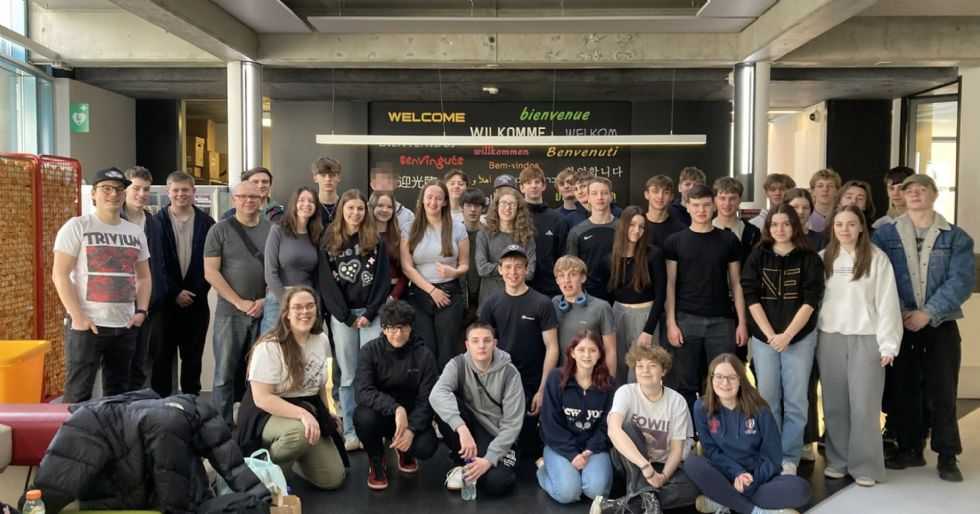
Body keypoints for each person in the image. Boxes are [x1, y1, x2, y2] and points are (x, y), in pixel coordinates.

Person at [874, 174, 975, 482]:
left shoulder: (956, 236)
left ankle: (947, 455)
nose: (915, 195)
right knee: (904, 389)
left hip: (940, 324)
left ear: (933, 195)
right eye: (909, 191)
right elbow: (880, 275)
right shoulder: (884, 234)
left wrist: (927, 313)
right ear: (901, 196)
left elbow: (960, 282)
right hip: (900, 322)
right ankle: (910, 448)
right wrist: (902, 311)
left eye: (922, 190)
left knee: (942, 391)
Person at [817, 205, 902, 487]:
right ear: (833, 228)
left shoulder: (877, 259)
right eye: (839, 224)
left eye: (851, 224)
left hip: (868, 339)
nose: (845, 229)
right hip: (829, 339)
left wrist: (888, 345)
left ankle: (865, 465)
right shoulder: (822, 259)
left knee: (865, 404)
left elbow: (888, 304)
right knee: (835, 404)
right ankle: (838, 461)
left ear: (861, 227)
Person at [52, 167, 150, 402]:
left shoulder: (135, 232)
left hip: (124, 326)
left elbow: (144, 277)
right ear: (94, 194)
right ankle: (75, 439)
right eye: (106, 188)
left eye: (118, 189)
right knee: (78, 394)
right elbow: (60, 274)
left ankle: (112, 439)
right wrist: (77, 317)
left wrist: (141, 312)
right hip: (88, 326)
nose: (113, 194)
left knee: (118, 395)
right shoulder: (78, 226)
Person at [740, 204, 825, 476]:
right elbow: (750, 297)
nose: (780, 229)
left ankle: (789, 456)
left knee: (797, 400)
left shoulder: (809, 258)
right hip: (765, 339)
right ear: (768, 228)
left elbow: (811, 299)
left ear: (795, 226)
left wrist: (787, 335)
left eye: (785, 224)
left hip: (799, 339)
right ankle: (771, 453)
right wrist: (770, 335)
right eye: (774, 224)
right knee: (768, 399)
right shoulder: (757, 257)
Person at [236, 286, 348, 490]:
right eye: (297, 307)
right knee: (299, 433)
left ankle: (295, 455)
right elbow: (262, 399)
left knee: (333, 478)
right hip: (267, 412)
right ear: (286, 313)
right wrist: (303, 416)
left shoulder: (320, 340)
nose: (304, 312)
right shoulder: (269, 346)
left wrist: (326, 412)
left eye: (309, 306)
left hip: (305, 407)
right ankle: (266, 476)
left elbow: (319, 382)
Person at [685, 354, 811, 514]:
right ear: (711, 379)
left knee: (801, 489)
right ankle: (756, 511)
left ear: (740, 380)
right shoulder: (701, 407)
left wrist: (750, 481)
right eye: (719, 377)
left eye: (731, 377)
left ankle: (723, 500)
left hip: (757, 478)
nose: (725, 383)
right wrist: (737, 473)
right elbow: (711, 451)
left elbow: (772, 458)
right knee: (692, 463)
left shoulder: (760, 410)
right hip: (724, 473)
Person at [663, 184, 748, 414]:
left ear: (714, 206)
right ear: (687, 207)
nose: (701, 210)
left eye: (706, 205)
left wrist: (742, 322)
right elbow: (669, 285)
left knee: (724, 380)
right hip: (685, 319)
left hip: (722, 321)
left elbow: (736, 283)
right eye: (696, 205)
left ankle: (721, 434)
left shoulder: (728, 240)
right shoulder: (675, 241)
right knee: (686, 383)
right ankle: (689, 436)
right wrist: (671, 323)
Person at [319, 189, 391, 451]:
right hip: (344, 318)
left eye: (360, 208)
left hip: (371, 315)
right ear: (342, 210)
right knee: (348, 376)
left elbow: (383, 281)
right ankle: (350, 430)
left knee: (373, 373)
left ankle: (375, 428)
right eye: (350, 208)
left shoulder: (375, 240)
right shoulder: (329, 240)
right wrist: (347, 316)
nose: (355, 213)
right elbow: (326, 284)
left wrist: (370, 313)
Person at [594, 345, 697, 513]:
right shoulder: (626, 392)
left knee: (692, 488)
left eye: (652, 365)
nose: (645, 370)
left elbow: (677, 450)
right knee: (626, 427)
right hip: (630, 464)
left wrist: (663, 477)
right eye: (640, 366)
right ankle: (645, 497)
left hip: (661, 467)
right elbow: (613, 430)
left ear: (663, 371)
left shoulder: (677, 401)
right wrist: (645, 467)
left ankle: (620, 506)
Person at [479, 244, 559, 459]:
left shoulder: (542, 303)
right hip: (501, 380)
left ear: (527, 269)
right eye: (508, 267)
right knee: (501, 443)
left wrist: (542, 389)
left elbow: (552, 347)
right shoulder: (492, 303)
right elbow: (482, 347)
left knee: (528, 449)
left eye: (518, 267)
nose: (513, 272)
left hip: (532, 382)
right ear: (500, 269)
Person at [203, 181, 273, 426]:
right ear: (234, 200)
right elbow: (211, 272)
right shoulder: (219, 230)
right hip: (230, 313)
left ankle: (252, 425)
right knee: (224, 374)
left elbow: (279, 270)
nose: (249, 201)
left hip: (266, 312)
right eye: (243, 196)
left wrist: (266, 301)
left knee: (259, 374)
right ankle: (221, 429)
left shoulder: (272, 230)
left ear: (261, 200)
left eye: (254, 196)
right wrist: (240, 302)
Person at [429, 322, 525, 496]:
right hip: (469, 427)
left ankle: (475, 463)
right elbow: (436, 394)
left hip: (497, 433)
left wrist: (489, 460)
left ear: (495, 343)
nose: (481, 345)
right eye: (475, 341)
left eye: (487, 340)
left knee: (497, 483)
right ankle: (462, 462)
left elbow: (512, 424)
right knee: (444, 404)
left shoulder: (510, 373)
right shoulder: (457, 364)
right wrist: (461, 428)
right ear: (467, 344)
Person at [354, 300, 440, 490]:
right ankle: (377, 459)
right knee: (363, 417)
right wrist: (395, 408)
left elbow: (428, 399)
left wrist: (412, 429)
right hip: (380, 415)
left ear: (411, 327)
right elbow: (362, 391)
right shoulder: (369, 352)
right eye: (392, 328)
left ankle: (405, 450)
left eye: (403, 327)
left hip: (411, 418)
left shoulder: (424, 355)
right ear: (383, 328)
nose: (398, 334)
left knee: (426, 446)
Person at [153, 171, 214, 396]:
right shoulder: (155, 223)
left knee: (193, 360)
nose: (181, 194)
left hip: (196, 305)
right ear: (168, 192)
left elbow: (212, 264)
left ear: (194, 192)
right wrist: (175, 292)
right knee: (161, 360)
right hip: (164, 305)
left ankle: (191, 407)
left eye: (185, 190)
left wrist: (193, 292)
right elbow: (153, 265)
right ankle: (160, 408)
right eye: (176, 190)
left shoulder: (208, 223)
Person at [537, 330, 616, 504]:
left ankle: (577, 472)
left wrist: (588, 451)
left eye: (593, 350)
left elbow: (607, 425)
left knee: (596, 492)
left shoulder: (609, 383)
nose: (587, 355)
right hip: (560, 445)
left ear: (600, 354)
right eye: (581, 350)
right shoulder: (556, 378)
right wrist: (573, 455)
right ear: (572, 353)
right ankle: (543, 470)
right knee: (568, 493)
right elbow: (550, 424)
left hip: (594, 448)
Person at [400, 179, 469, 368]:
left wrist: (454, 272)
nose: (433, 202)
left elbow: (465, 264)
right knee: (424, 350)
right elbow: (407, 267)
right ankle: (426, 396)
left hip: (449, 293)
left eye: (439, 198)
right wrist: (431, 291)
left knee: (447, 351)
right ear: (422, 199)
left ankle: (447, 395)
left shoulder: (458, 228)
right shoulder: (410, 228)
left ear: (445, 201)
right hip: (420, 295)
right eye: (429, 197)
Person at [608, 206, 667, 386]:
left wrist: (648, 329)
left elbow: (661, 294)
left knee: (642, 371)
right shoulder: (612, 257)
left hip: (645, 315)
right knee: (619, 369)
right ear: (623, 225)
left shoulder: (653, 255)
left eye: (642, 227)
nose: (636, 230)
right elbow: (609, 293)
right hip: (618, 314)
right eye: (632, 225)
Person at [120, 166, 166, 391]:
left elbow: (157, 264)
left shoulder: (154, 224)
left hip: (148, 305)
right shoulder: (113, 220)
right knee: (118, 365)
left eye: (146, 189)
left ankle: (135, 411)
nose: (141, 194)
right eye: (136, 188)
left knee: (141, 363)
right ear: (125, 189)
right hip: (119, 303)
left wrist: (157, 296)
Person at [262, 186, 324, 334]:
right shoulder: (278, 230)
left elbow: (317, 276)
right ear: (294, 204)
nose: (306, 204)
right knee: (273, 348)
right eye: (301, 200)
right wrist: (288, 303)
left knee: (303, 349)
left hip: (306, 300)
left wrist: (315, 303)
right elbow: (270, 274)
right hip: (279, 298)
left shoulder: (316, 235)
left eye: (311, 201)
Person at [475, 185, 537, 309]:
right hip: (489, 301)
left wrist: (500, 269)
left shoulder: (527, 236)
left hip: (519, 303)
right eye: (503, 203)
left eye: (512, 204)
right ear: (496, 206)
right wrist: (515, 270)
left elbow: (530, 272)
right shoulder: (484, 234)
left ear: (518, 209)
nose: (507, 208)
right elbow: (481, 268)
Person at [552, 256, 616, 374]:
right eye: (561, 275)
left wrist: (609, 383)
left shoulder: (601, 307)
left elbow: (610, 350)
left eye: (572, 274)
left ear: (583, 278)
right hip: (563, 375)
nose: (567, 280)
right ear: (557, 280)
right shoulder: (554, 304)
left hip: (593, 375)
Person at [567, 177, 619, 304]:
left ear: (611, 196)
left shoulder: (623, 228)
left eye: (604, 193)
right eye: (594, 193)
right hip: (587, 297)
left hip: (620, 296)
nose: (600, 197)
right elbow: (572, 268)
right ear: (588, 198)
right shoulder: (576, 232)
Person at [520, 164, 569, 298]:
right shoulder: (515, 216)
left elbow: (563, 256)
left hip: (551, 289)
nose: (534, 186)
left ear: (544, 186)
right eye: (528, 182)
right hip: (520, 286)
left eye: (537, 182)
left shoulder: (558, 219)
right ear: (522, 187)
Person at [712, 177, 762, 264]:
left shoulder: (753, 233)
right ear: (715, 200)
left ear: (739, 200)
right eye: (722, 198)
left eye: (732, 198)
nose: (727, 203)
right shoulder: (703, 229)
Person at [369, 190, 408, 302]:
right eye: (380, 205)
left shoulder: (400, 236)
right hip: (370, 296)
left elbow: (406, 271)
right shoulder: (362, 236)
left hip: (396, 295)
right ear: (372, 207)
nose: (385, 210)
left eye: (390, 207)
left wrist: (393, 296)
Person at [459, 187, 486, 328]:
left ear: (483, 208)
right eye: (469, 205)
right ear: (461, 208)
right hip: (460, 297)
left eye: (477, 205)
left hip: (484, 296)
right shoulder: (453, 234)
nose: (473, 210)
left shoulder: (489, 234)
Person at [643, 175, 688, 250]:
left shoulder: (681, 230)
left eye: (666, 192)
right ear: (646, 195)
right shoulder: (637, 227)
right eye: (655, 191)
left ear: (671, 197)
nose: (660, 196)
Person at [370, 165, 415, 229]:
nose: (384, 187)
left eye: (388, 183)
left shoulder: (407, 216)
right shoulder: (363, 211)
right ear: (372, 185)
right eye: (380, 182)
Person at [806, 168, 840, 233]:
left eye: (830, 186)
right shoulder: (806, 216)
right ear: (813, 191)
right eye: (820, 186)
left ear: (837, 191)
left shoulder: (843, 215)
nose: (825, 190)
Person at [312, 156, 342, 226]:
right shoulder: (310, 206)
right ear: (315, 178)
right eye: (323, 175)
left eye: (332, 175)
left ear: (339, 177)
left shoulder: (346, 205)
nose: (328, 179)